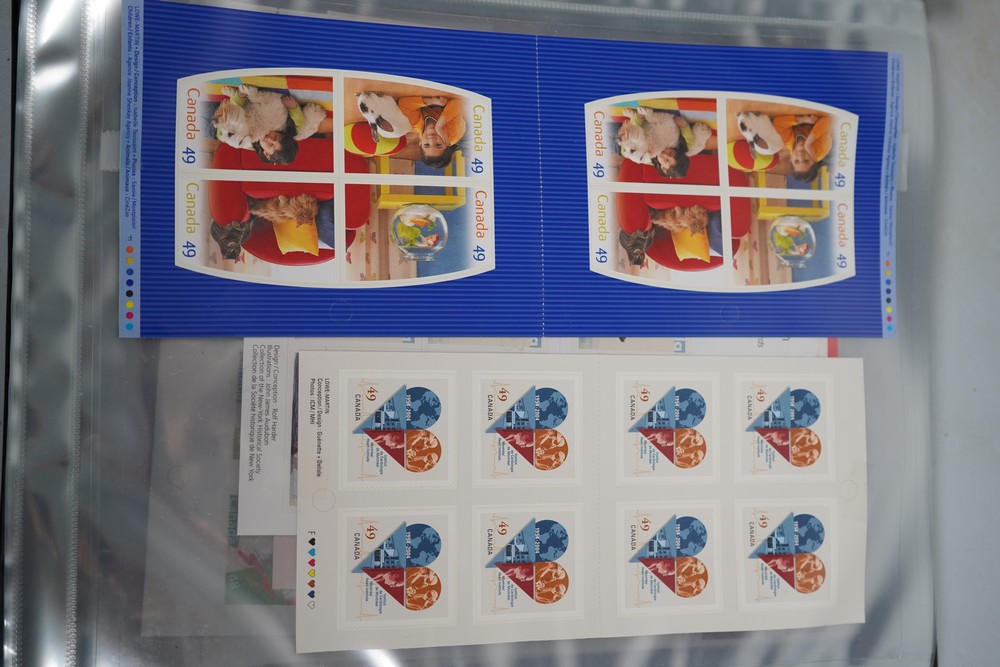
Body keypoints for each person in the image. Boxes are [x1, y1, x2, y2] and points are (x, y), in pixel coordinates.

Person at [397, 96, 466, 168]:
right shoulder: (453, 129)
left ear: (420, 142)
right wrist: (439, 126)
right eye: (438, 144)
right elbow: (457, 103)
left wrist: (431, 101)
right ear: (447, 143)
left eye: (426, 145)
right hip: (461, 133)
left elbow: (403, 104)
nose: (431, 139)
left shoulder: (417, 123)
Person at [772, 114, 832, 183]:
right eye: (806, 161)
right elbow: (827, 120)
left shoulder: (787, 142)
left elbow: (777, 122)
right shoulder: (822, 148)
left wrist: (802, 119)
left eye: (796, 161)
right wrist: (808, 143)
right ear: (814, 159)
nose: (800, 156)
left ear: (791, 159)